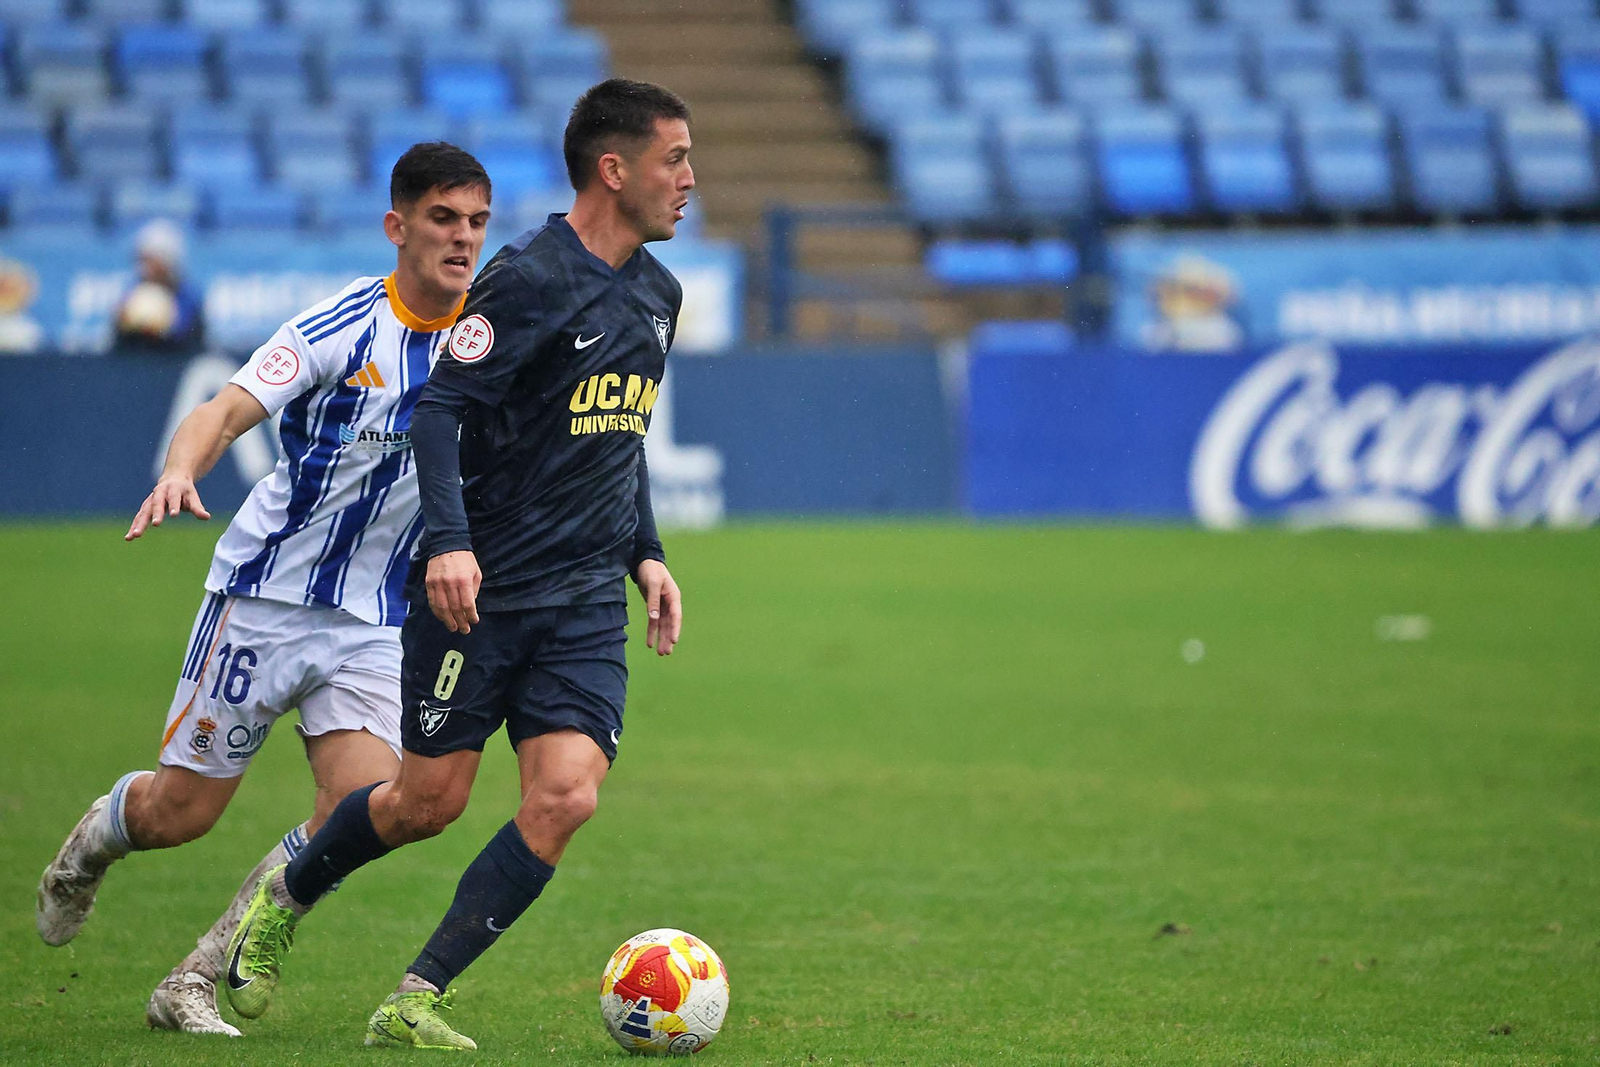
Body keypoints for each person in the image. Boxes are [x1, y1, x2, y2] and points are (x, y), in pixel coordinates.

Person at [223, 77, 693, 1052]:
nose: (689, 180)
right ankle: (288, 892)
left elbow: (620, 435)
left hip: (581, 603)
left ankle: (415, 993)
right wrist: (447, 541)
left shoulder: (659, 293)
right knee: (423, 801)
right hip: (479, 597)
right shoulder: (525, 279)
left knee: (566, 792)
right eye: (674, 160)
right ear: (615, 170)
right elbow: (440, 411)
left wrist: (646, 552)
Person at [35, 143, 493, 1037]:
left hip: (374, 618)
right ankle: (92, 841)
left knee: (363, 810)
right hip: (264, 600)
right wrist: (178, 470)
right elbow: (224, 407)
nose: (462, 239)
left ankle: (197, 972)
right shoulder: (341, 325)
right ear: (397, 226)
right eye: (443, 219)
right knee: (180, 813)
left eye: (476, 222)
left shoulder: (487, 339)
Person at [111, 219, 207, 356]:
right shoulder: (132, 294)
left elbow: (194, 345)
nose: (144, 268)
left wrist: (162, 332)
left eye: (150, 260)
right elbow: (117, 346)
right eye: (142, 260)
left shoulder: (188, 298)